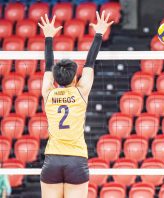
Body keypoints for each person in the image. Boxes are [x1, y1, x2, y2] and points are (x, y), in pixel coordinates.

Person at [38, 12, 113, 198]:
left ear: (55, 78)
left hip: (52, 160)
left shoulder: (48, 93)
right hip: (76, 160)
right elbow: (90, 63)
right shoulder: (81, 92)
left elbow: (48, 67)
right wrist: (99, 33)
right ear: (74, 77)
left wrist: (48, 37)